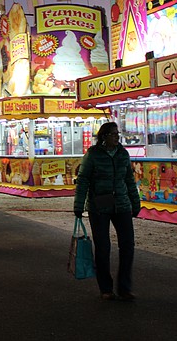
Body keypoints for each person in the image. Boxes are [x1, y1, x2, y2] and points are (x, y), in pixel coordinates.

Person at [73, 121, 141, 301]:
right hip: (99, 205)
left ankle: (124, 287)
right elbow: (83, 181)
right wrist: (78, 206)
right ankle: (106, 288)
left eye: (118, 134)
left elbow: (129, 180)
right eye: (113, 134)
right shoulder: (93, 155)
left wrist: (135, 203)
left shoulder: (122, 154)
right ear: (104, 136)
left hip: (122, 204)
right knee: (103, 247)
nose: (117, 137)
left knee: (127, 246)